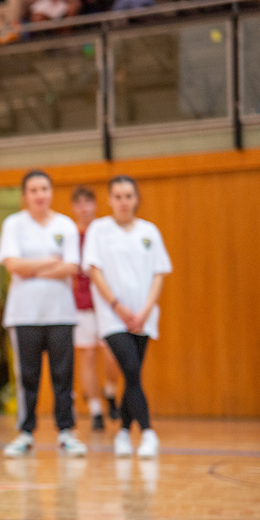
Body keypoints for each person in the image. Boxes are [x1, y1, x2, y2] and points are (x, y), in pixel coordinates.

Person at [0, 170, 87, 458]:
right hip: (23, 315)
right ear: (25, 195)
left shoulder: (65, 225)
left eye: (44, 189)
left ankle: (66, 432)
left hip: (61, 314)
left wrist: (31, 268)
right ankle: (25, 432)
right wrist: (49, 261)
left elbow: (71, 266)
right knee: (27, 377)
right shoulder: (13, 224)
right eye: (33, 190)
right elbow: (13, 265)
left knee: (63, 375)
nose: (40, 195)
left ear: (51, 192)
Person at [83, 175, 171, 459]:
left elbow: (159, 274)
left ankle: (123, 432)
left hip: (143, 318)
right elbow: (94, 271)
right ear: (110, 200)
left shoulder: (149, 232)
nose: (123, 202)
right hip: (112, 317)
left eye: (128, 196)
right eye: (118, 196)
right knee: (131, 370)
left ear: (136, 199)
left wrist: (144, 311)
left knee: (133, 376)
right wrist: (117, 306)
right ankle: (148, 432)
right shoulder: (99, 230)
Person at [69, 186, 120, 431]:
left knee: (113, 354)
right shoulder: (70, 235)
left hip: (107, 303)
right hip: (81, 305)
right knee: (87, 356)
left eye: (88, 202)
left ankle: (110, 390)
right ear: (73, 207)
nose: (84, 208)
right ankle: (95, 409)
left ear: (96, 205)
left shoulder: (105, 232)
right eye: (79, 203)